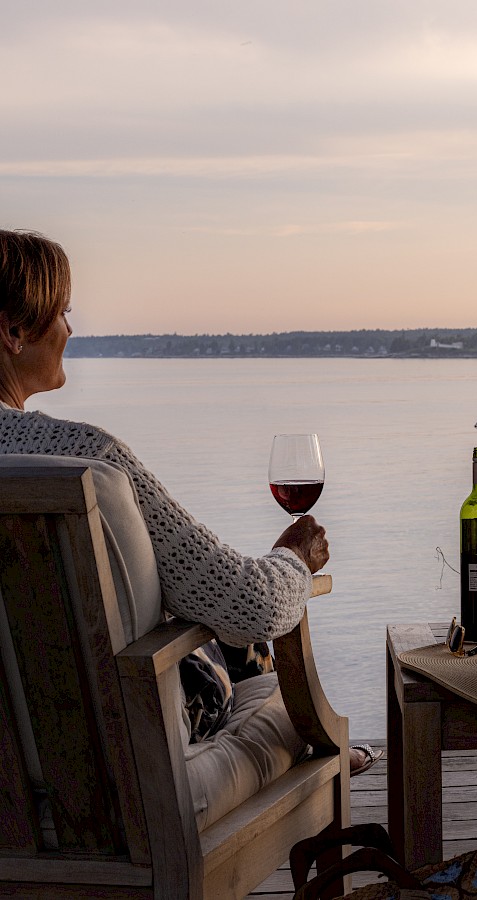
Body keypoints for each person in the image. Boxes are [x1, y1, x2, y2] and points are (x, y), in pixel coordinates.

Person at [0, 229, 379, 775]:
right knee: (237, 632)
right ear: (14, 331)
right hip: (103, 770)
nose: (70, 329)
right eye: (62, 313)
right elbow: (251, 605)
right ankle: (334, 758)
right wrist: (294, 560)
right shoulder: (86, 458)